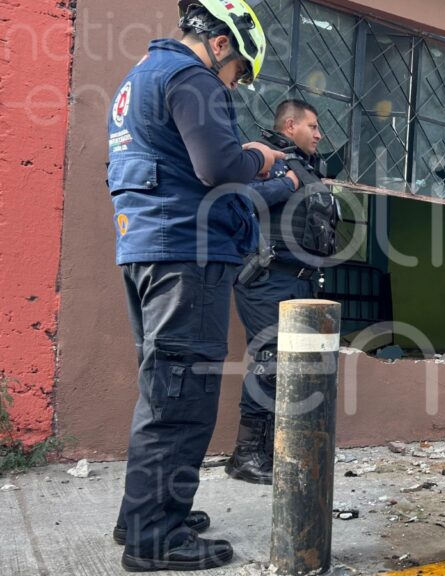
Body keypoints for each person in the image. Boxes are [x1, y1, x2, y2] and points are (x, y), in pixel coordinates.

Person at [107, 0, 283, 571]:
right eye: (238, 74)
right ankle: (155, 539)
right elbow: (218, 167)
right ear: (221, 43)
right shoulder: (191, 77)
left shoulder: (140, 77)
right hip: (187, 253)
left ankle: (142, 516)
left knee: (162, 390)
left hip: (147, 247)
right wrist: (257, 156)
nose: (234, 85)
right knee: (183, 398)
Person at [226, 100, 323, 484]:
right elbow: (242, 199)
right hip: (266, 277)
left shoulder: (306, 167)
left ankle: (270, 452)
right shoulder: (262, 157)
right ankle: (246, 455)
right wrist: (289, 184)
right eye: (313, 126)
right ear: (290, 125)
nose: (319, 135)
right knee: (270, 361)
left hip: (299, 279)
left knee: (294, 365)